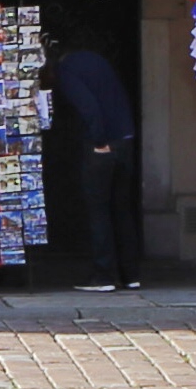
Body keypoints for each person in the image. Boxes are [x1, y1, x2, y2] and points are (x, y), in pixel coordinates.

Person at [53, 33, 143, 288]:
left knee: (98, 211)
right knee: (121, 209)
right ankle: (131, 274)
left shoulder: (66, 70)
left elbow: (87, 106)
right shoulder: (99, 62)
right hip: (125, 139)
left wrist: (98, 141)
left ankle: (103, 275)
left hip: (104, 145)